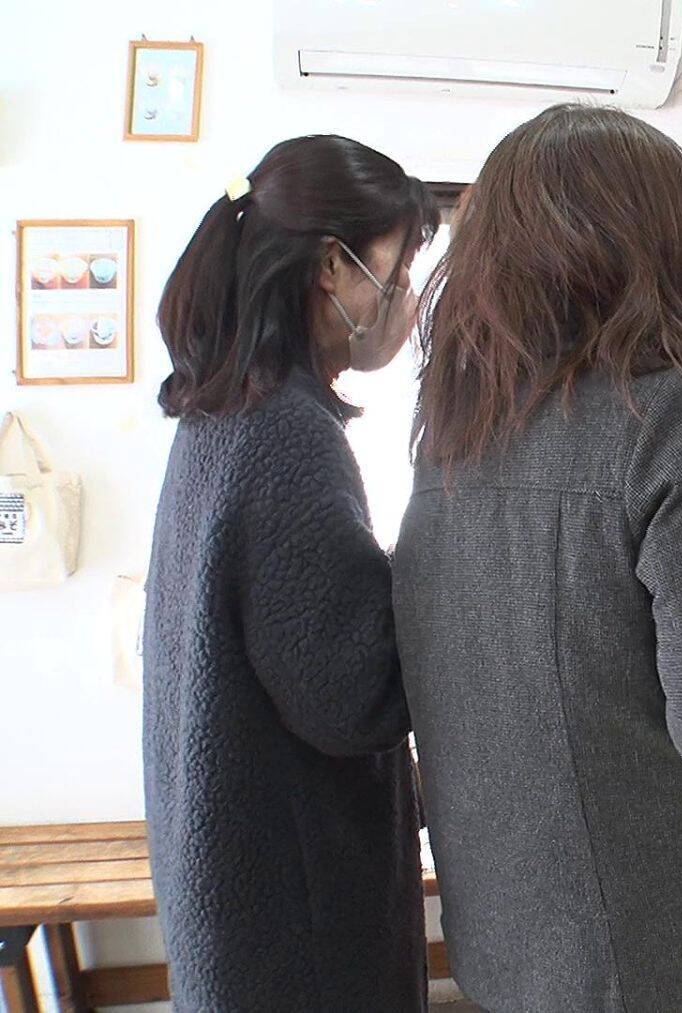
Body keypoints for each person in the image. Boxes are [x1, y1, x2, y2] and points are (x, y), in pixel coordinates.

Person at [392, 104, 682, 1012]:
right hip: (673, 948)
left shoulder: (452, 436)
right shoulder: (671, 419)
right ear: (642, 247)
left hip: (507, 935)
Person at [142, 135, 438, 1010]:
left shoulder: (220, 408)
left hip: (229, 887)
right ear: (332, 270)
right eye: (403, 262)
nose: (409, 295)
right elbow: (357, 698)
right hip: (293, 929)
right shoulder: (287, 434)